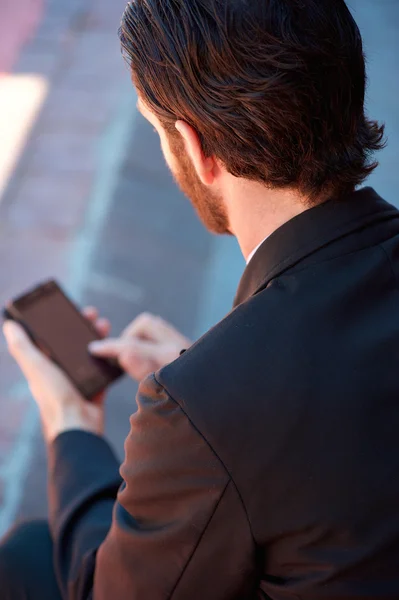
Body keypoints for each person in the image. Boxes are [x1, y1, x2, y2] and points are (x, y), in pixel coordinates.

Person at [1, 0, 398, 598]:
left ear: (193, 144)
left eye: (155, 128)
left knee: (28, 555)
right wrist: (208, 378)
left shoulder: (201, 409)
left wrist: (72, 423)